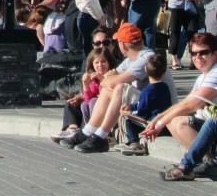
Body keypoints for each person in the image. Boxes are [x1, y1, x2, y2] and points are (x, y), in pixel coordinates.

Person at [55, 22, 156, 153]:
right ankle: (90, 132)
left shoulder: (145, 57)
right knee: (112, 88)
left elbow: (111, 82)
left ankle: (100, 135)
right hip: (142, 100)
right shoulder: (133, 58)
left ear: (122, 44)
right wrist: (108, 80)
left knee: (118, 87)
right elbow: (108, 80)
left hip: (153, 104)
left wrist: (109, 80)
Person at [140, 31, 217, 161]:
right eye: (194, 53)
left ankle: (209, 162)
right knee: (171, 119)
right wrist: (159, 118)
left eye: (203, 52)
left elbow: (191, 105)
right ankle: (202, 159)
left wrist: (160, 124)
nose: (197, 57)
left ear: (215, 54)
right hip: (212, 122)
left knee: (179, 123)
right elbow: (185, 102)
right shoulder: (205, 75)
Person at [52, 43, 119, 141]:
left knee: (92, 103)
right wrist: (85, 85)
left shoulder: (112, 75)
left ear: (109, 62)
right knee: (74, 103)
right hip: (93, 104)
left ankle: (100, 131)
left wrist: (102, 81)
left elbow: (105, 94)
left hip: (109, 107)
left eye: (103, 62)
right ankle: (73, 129)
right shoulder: (93, 78)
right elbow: (88, 99)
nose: (100, 65)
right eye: (97, 63)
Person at [118, 50, 172, 155]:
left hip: (150, 122)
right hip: (162, 121)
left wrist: (130, 113)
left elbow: (142, 111)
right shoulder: (165, 87)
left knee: (124, 118)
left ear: (146, 70)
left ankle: (133, 142)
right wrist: (132, 106)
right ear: (164, 72)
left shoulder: (147, 90)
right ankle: (132, 141)